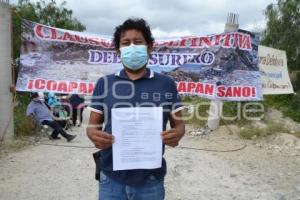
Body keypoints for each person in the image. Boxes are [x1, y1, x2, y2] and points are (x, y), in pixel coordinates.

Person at [86, 18, 185, 200]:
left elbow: (179, 126)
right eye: (126, 43)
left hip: (150, 180)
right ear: (118, 50)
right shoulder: (105, 83)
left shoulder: (166, 84)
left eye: (138, 42)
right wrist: (94, 135)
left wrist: (176, 134)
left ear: (149, 47)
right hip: (111, 179)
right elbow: (92, 127)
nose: (132, 47)